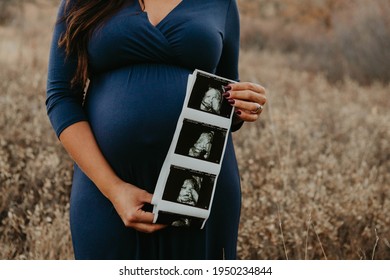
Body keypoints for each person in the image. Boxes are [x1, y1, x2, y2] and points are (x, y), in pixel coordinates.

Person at [46, 0, 266, 260]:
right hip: (103, 188)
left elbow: (228, 90)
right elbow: (61, 97)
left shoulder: (221, 3)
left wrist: (243, 106)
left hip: (198, 187)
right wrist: (114, 189)